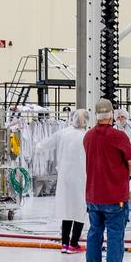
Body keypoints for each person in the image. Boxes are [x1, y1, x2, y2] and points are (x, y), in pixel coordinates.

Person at [82, 99, 131, 262]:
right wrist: (125, 177)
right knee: (115, 236)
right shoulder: (119, 137)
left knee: (94, 234)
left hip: (93, 196)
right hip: (114, 197)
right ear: (112, 115)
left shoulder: (87, 136)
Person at [54, 109, 90, 254]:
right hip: (81, 177)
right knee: (80, 210)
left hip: (65, 178)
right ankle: (74, 244)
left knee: (67, 210)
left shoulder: (64, 134)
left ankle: (64, 244)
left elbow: (44, 145)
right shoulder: (87, 136)